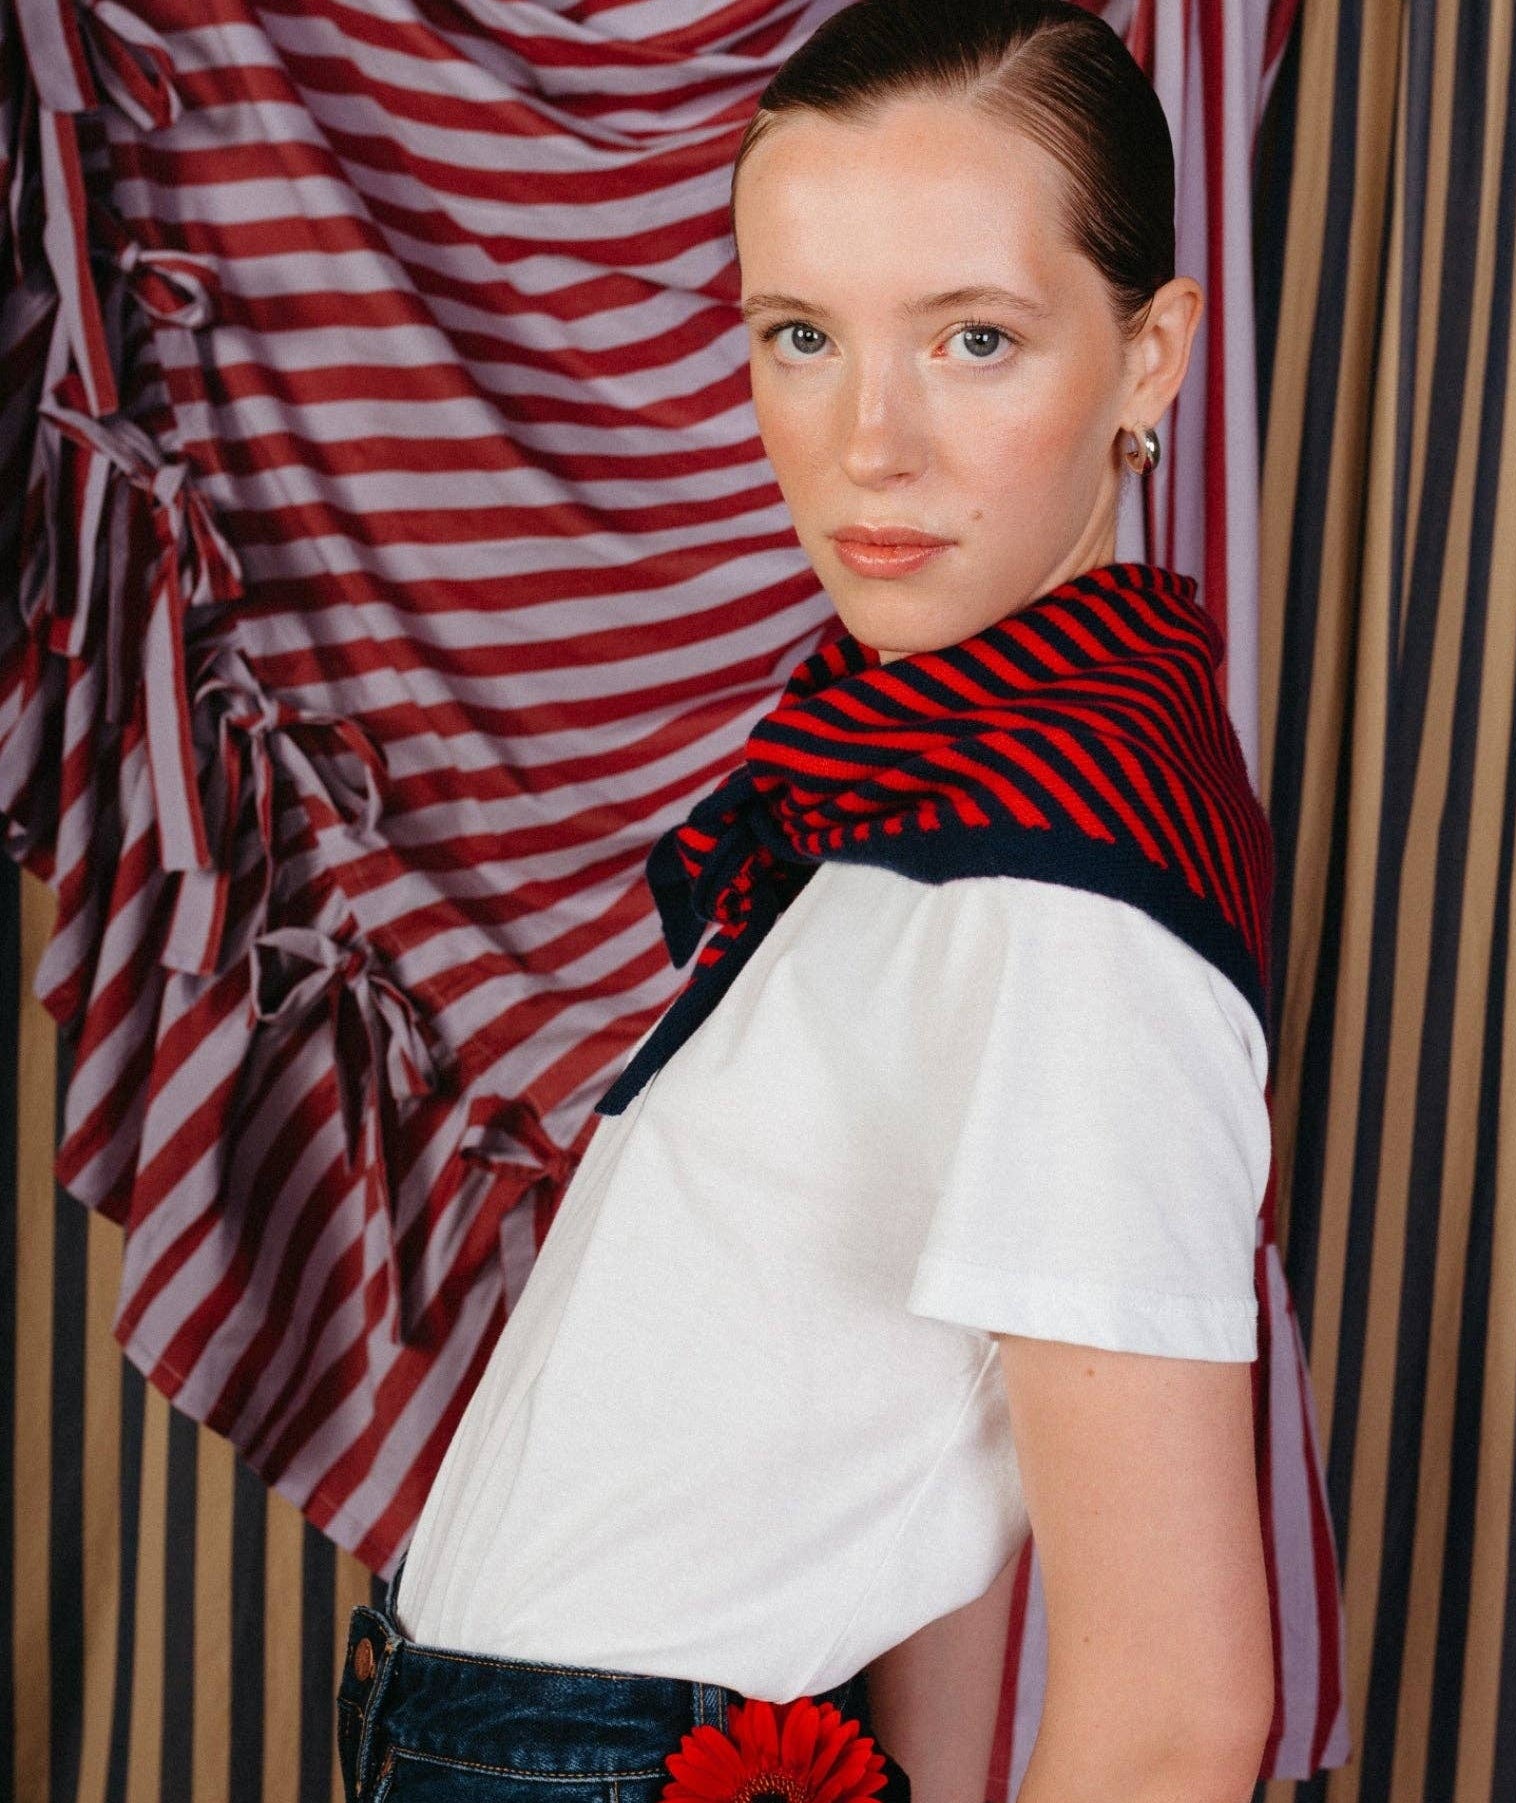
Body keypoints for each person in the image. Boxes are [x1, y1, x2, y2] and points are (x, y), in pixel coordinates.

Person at [336, 3, 1277, 1801]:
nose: (868, 444)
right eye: (799, 335)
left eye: (977, 340)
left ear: (1150, 359)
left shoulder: (1065, 887)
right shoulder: (946, 772)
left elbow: (1175, 1709)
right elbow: (941, 1444)